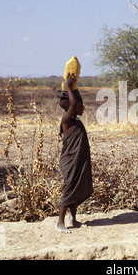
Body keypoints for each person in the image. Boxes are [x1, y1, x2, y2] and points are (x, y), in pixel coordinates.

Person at [55, 73, 93, 233]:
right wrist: (69, 87)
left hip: (78, 161)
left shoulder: (76, 121)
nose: (82, 107)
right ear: (72, 106)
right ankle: (60, 222)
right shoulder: (66, 120)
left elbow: (75, 103)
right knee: (70, 187)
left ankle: (73, 219)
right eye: (80, 105)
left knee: (77, 187)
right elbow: (73, 102)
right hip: (70, 161)